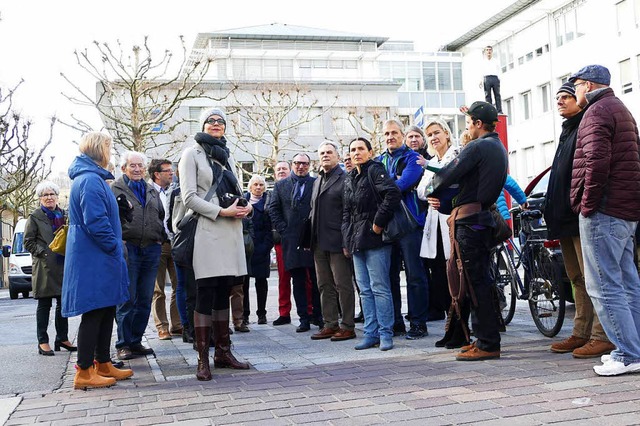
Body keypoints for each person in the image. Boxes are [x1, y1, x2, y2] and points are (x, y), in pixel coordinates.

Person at [569, 65, 640, 376]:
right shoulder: (620, 109)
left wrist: (587, 205)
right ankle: (635, 349)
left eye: (577, 87)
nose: (575, 93)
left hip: (605, 211)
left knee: (604, 286)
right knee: (628, 284)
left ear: (587, 85)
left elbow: (596, 160)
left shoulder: (597, 112)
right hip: (625, 210)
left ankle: (627, 354)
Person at [431, 101, 508, 361]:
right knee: (480, 280)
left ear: (477, 123)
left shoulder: (478, 146)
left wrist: (434, 188)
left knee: (476, 283)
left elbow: (448, 173)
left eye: (469, 123)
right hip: (481, 217)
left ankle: (487, 343)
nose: (467, 128)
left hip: (471, 220)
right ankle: (483, 338)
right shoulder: (498, 147)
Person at [179, 107, 251, 381]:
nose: (216, 124)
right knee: (205, 294)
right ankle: (202, 359)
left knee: (224, 292)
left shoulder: (228, 156)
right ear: (202, 125)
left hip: (231, 231)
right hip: (208, 231)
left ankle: (223, 352)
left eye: (221, 121)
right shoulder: (191, 153)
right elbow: (188, 197)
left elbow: (238, 193)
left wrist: (246, 209)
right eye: (211, 120)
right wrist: (221, 212)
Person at [545, 82, 614, 359]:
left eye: (566, 97)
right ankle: (581, 332)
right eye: (558, 97)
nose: (560, 101)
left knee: (592, 278)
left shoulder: (587, 124)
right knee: (576, 278)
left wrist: (584, 207)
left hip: (579, 216)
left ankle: (602, 335)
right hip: (564, 218)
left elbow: (593, 170)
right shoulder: (567, 130)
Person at [63, 132, 133, 389]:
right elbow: (96, 222)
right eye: (108, 147)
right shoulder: (91, 180)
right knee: (95, 310)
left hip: (97, 255)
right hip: (95, 256)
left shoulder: (92, 178)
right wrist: (114, 246)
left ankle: (102, 363)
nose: (110, 152)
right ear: (99, 150)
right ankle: (84, 371)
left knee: (106, 307)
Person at [343, 137, 401, 351]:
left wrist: (378, 223)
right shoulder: (350, 177)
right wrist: (346, 240)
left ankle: (386, 334)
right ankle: (370, 333)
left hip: (376, 238)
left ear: (370, 151)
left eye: (360, 149)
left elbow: (392, 195)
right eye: (352, 149)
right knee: (365, 290)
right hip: (356, 240)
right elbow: (346, 212)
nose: (356, 152)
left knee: (380, 288)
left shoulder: (375, 170)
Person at [378, 119, 430, 339]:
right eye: (386, 133)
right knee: (389, 277)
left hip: (410, 223)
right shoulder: (379, 160)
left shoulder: (413, 158)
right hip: (387, 224)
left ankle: (418, 323)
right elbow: (376, 186)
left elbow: (404, 184)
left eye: (394, 133)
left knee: (415, 275)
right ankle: (397, 322)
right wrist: (392, 181)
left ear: (402, 135)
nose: (390, 137)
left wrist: (388, 182)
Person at [111, 151, 165, 361]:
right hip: (129, 248)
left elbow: (160, 214)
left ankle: (136, 340)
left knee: (144, 298)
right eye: (132, 165)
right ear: (124, 168)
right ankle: (123, 344)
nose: (137, 169)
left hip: (151, 248)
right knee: (127, 298)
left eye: (140, 166)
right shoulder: (115, 188)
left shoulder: (151, 189)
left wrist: (159, 237)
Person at [269, 153, 322, 332]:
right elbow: (273, 209)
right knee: (297, 280)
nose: (301, 167)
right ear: (292, 164)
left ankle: (319, 316)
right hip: (291, 240)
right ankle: (304, 319)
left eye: (305, 164)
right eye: (297, 163)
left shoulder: (316, 183)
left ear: (310, 165)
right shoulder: (280, 185)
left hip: (313, 238)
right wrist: (284, 229)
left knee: (317, 279)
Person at [309, 140, 356, 341]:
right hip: (318, 241)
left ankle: (347, 325)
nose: (325, 155)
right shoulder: (317, 180)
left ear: (337, 156)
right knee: (324, 285)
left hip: (338, 241)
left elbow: (350, 212)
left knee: (343, 285)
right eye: (322, 153)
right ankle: (330, 323)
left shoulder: (345, 179)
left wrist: (347, 241)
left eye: (329, 152)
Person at [24, 181, 76, 356]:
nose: (49, 197)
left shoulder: (65, 214)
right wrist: (43, 253)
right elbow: (28, 241)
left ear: (57, 196)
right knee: (44, 304)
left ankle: (62, 338)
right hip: (45, 266)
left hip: (63, 264)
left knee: (63, 304)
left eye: (52, 194)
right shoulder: (34, 217)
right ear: (40, 198)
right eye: (45, 195)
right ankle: (43, 341)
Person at [416, 119, 459, 323]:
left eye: (436, 133)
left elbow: (452, 180)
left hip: (453, 218)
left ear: (447, 134)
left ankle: (459, 310)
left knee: (457, 267)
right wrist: (434, 191)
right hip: (435, 222)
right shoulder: (432, 161)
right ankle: (449, 311)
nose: (433, 138)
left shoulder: (457, 155)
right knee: (440, 268)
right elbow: (421, 191)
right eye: (430, 135)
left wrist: (436, 189)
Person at [148, 159, 182, 341]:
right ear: (157, 174)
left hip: (175, 242)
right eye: (168, 171)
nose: (172, 173)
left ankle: (177, 324)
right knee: (158, 289)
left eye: (172, 170)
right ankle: (162, 327)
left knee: (179, 285)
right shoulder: (147, 191)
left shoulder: (175, 190)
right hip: (157, 244)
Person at [243, 175, 274, 326]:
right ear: (250, 187)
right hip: (245, 248)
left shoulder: (268, 203)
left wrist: (267, 246)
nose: (258, 187)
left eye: (261, 184)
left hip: (262, 248)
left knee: (261, 282)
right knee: (243, 283)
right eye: (255, 184)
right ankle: (245, 314)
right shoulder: (242, 202)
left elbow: (271, 228)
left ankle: (262, 314)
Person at [480, 46, 502, 113]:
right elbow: (481, 72)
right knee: (488, 95)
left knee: (497, 94)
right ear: (485, 52)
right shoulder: (483, 62)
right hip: (487, 78)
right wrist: (481, 80)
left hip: (495, 78)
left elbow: (499, 70)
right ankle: (489, 111)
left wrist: (499, 79)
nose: (488, 51)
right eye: (487, 50)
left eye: (490, 50)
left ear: (492, 51)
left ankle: (499, 110)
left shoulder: (496, 61)